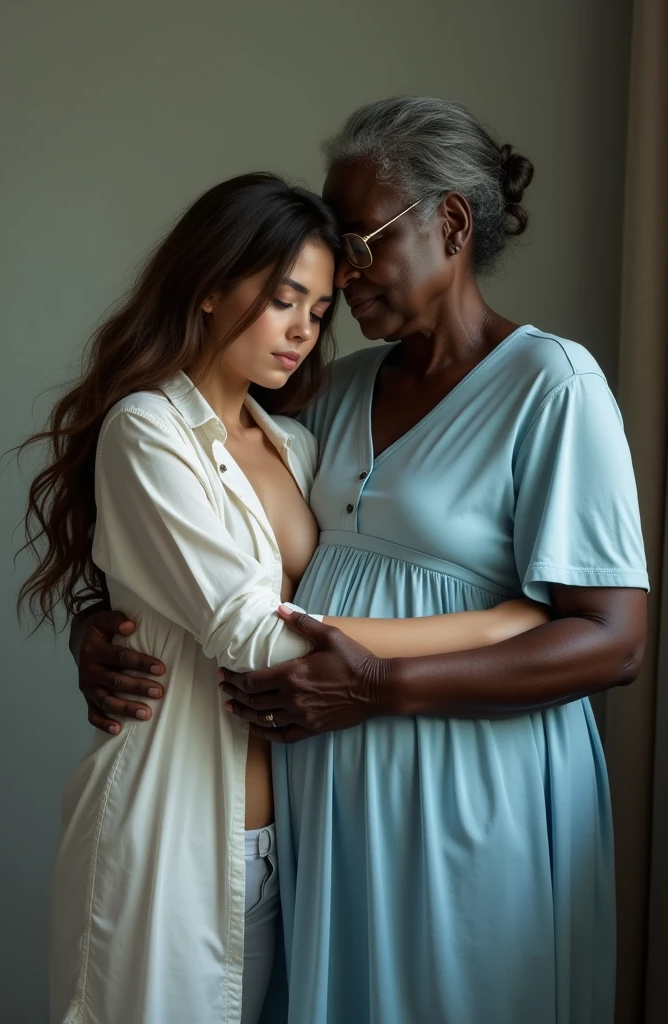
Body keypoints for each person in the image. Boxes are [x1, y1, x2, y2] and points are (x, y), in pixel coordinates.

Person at [70, 99, 648, 1024]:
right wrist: (101, 622)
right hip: (322, 820)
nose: (343, 270)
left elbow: (613, 645)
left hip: (469, 801)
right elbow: (210, 532)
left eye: (361, 240)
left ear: (450, 224)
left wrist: (382, 686)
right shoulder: (330, 396)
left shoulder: (553, 386)